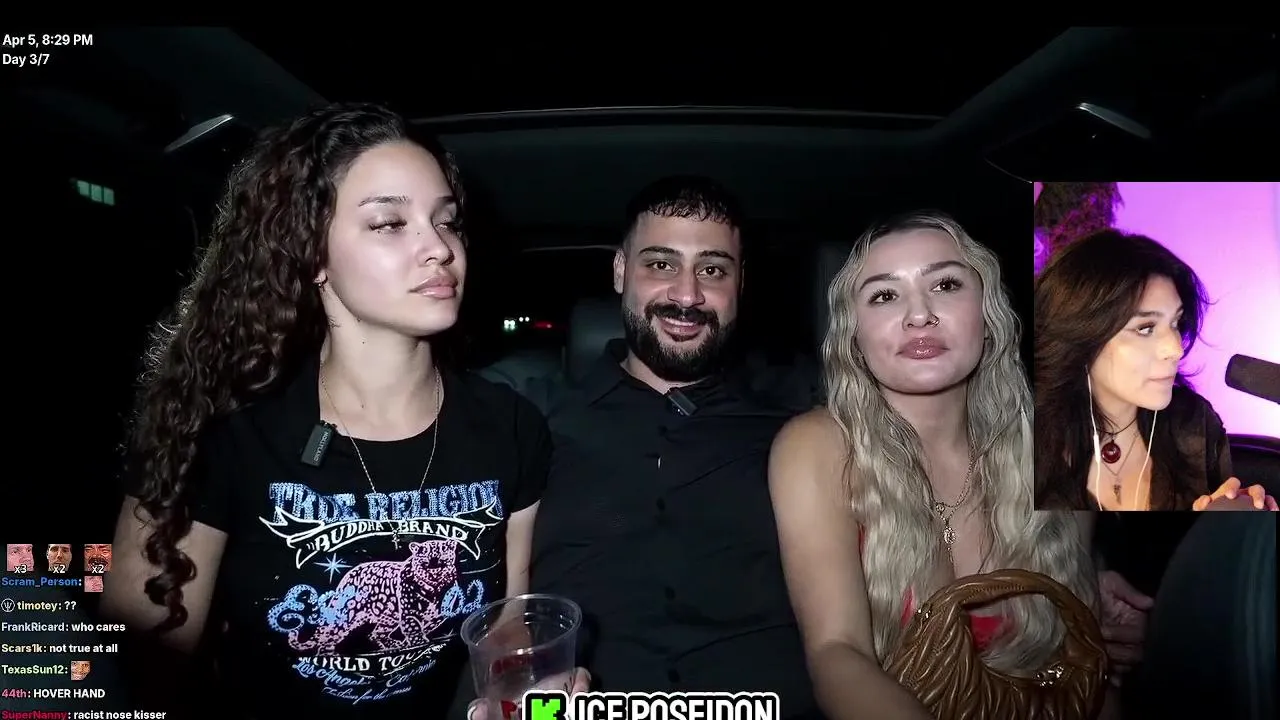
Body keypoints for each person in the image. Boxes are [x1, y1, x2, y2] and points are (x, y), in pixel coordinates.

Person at [99, 103, 584, 719]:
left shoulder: (511, 426)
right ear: (313, 256)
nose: (439, 248)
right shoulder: (223, 431)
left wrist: (521, 696)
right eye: (389, 223)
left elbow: (506, 629)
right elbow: (141, 680)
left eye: (447, 221)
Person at [768, 212, 1105, 719]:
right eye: (885, 295)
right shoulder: (818, 448)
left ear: (988, 315)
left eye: (945, 285)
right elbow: (837, 653)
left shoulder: (1057, 450)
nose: (919, 315)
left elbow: (1083, 660)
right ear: (854, 336)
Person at [528, 176, 821, 717]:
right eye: (661, 265)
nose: (687, 296)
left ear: (740, 283)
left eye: (712, 270)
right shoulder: (533, 424)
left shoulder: (801, 423)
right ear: (620, 271)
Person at [1034, 229, 1277, 512]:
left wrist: (1242, 522)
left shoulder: (1194, 424)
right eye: (1145, 328)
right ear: (1082, 335)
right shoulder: (1019, 439)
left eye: (1175, 323)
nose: (1175, 348)